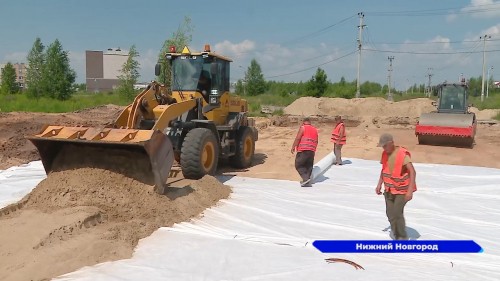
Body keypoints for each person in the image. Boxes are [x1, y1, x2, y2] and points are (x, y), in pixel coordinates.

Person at [375, 133, 417, 240]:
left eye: (385, 146)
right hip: (389, 189)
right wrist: (379, 184)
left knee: (397, 212)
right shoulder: (384, 154)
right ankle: (396, 232)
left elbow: (412, 171)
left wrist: (410, 191)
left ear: (391, 143)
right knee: (390, 213)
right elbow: (384, 170)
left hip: (402, 190)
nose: (384, 148)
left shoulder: (402, 154)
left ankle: (402, 237)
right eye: (382, 146)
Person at [291, 117, 318, 187]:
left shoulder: (303, 128)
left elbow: (298, 138)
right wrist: (314, 150)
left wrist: (293, 146)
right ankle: (307, 181)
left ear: (303, 122)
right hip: (312, 150)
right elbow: (316, 141)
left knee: (299, 165)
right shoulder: (315, 129)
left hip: (303, 150)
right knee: (309, 166)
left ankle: (305, 179)